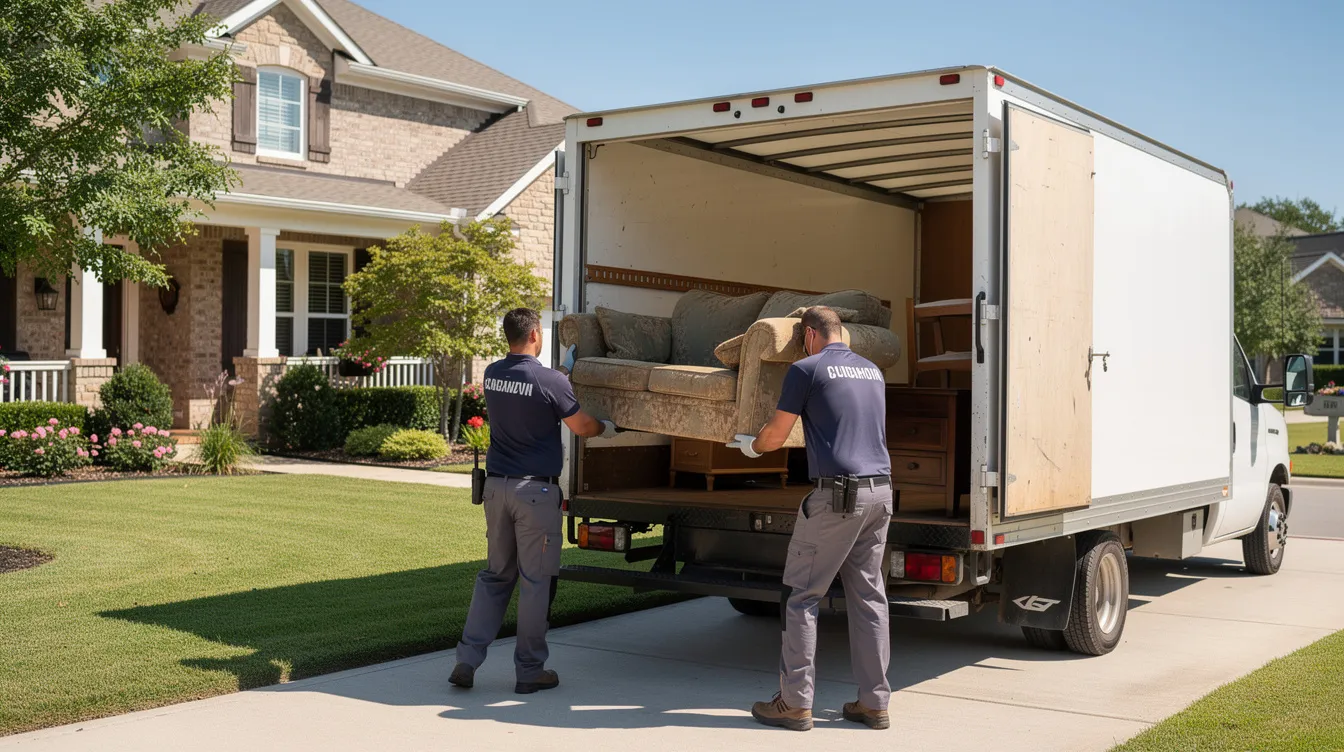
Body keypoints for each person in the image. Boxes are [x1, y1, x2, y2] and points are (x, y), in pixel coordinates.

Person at [727, 305, 893, 732]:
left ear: (809, 336)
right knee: (870, 599)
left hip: (837, 497)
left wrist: (750, 445)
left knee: (801, 596)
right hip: (880, 493)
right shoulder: (873, 372)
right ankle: (874, 704)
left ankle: (795, 703)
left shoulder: (806, 369)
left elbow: (777, 434)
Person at [450, 308, 616, 695]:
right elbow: (580, 425)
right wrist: (606, 428)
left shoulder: (492, 374)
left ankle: (467, 660)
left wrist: (560, 375)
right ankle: (529, 671)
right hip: (535, 496)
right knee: (535, 582)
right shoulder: (551, 381)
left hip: (497, 490)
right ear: (536, 335)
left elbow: (530, 388)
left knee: (495, 575)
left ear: (507, 336)